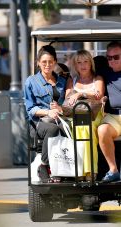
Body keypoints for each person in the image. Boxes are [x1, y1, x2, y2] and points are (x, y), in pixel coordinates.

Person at [24, 45, 67, 182]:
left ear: (55, 62)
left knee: (68, 128)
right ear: (38, 63)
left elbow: (66, 104)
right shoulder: (31, 81)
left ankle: (66, 167)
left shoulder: (62, 81)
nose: (47, 65)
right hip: (38, 122)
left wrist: (60, 108)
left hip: (58, 119)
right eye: (44, 62)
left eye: (50, 62)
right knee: (53, 129)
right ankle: (44, 166)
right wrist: (48, 111)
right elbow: (30, 110)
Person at [65, 49, 105, 181]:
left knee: (88, 127)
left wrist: (81, 94)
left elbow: (98, 94)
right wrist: (75, 94)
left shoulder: (97, 78)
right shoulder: (73, 80)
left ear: (91, 63)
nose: (83, 65)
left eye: (86, 61)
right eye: (79, 62)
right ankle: (80, 169)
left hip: (94, 113)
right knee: (78, 128)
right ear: (75, 65)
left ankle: (90, 171)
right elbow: (68, 98)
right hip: (77, 114)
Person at [97, 41, 121, 182]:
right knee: (102, 130)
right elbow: (84, 75)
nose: (112, 61)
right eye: (109, 58)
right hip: (113, 116)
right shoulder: (103, 72)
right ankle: (113, 170)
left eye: (116, 57)